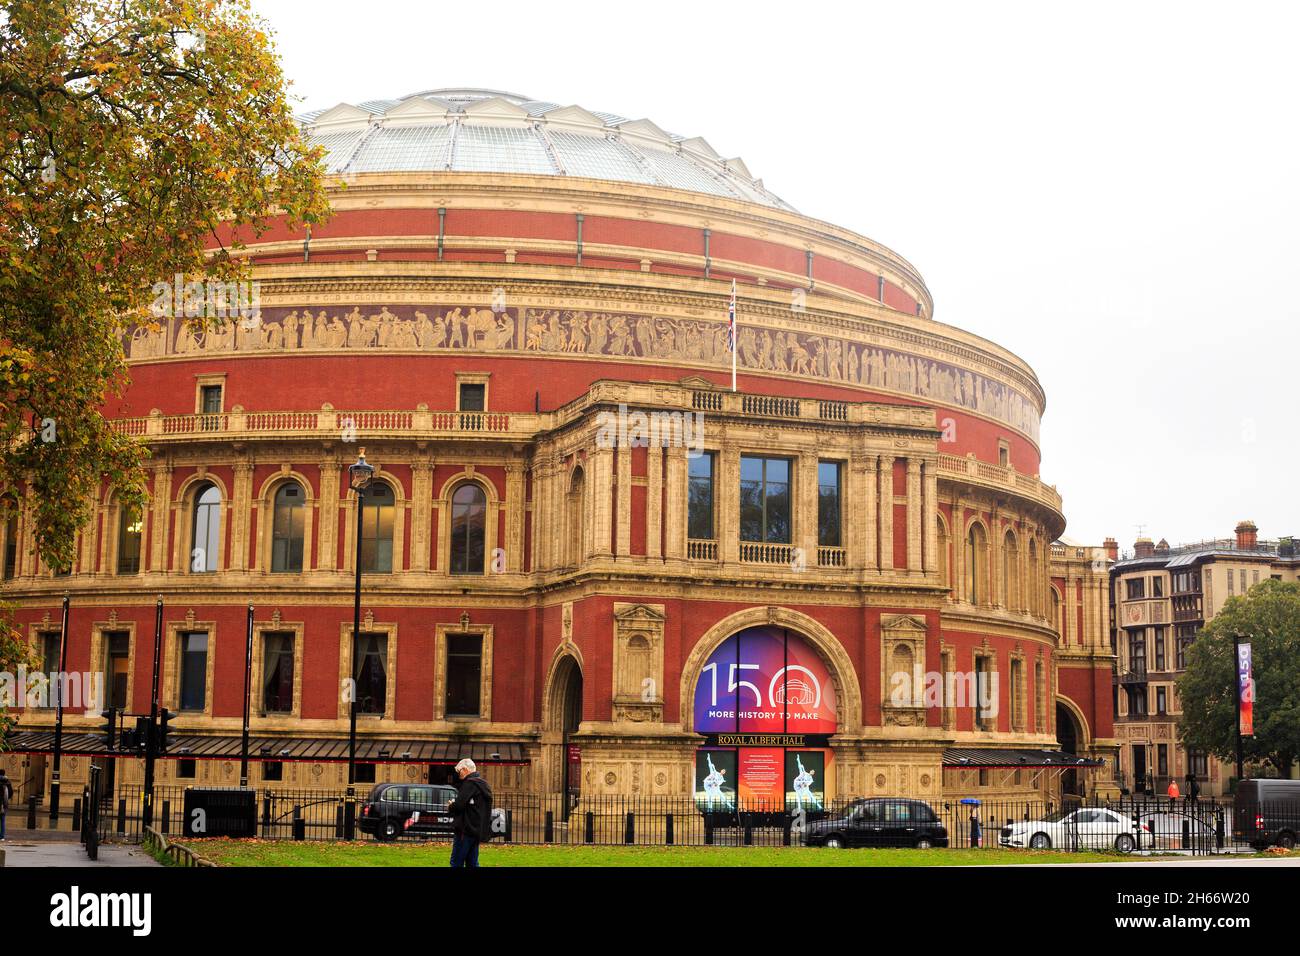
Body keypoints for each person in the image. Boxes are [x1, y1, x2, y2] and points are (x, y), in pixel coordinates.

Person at [447, 758, 493, 868]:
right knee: (472, 862)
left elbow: (458, 805)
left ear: (465, 769)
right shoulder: (484, 785)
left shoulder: (469, 783)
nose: (459, 775)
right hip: (477, 830)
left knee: (456, 862)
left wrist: (450, 805)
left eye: (459, 771)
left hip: (465, 830)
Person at [0, 768, 12, 841]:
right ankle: (2, 836)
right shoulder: (8, 782)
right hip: (4, 804)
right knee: (3, 820)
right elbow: (10, 793)